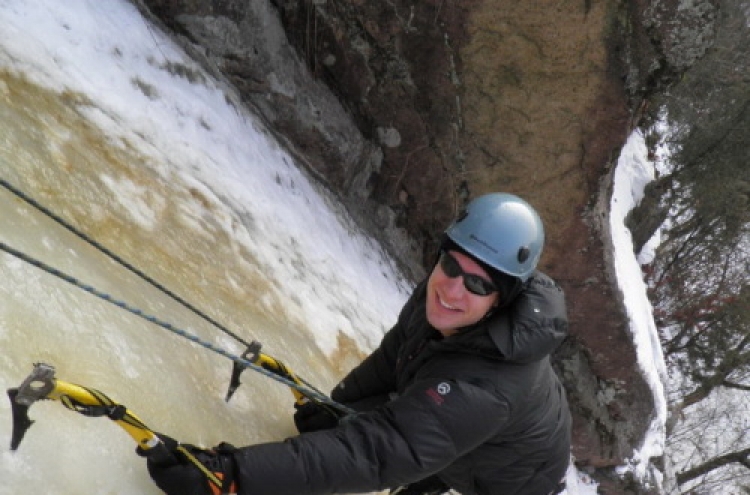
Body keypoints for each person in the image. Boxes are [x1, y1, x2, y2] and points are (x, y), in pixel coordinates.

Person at [143, 192, 572, 495]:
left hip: (511, 482)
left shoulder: (486, 390)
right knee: (430, 446)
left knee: (431, 458)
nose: (452, 289)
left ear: (501, 301)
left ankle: (435, 477)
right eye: (449, 264)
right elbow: (394, 358)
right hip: (468, 433)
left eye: (477, 283)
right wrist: (336, 410)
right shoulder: (440, 297)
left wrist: (234, 476)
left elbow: (376, 453)